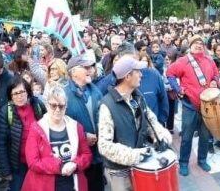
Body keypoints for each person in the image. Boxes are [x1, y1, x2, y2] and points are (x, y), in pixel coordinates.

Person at [98, 56, 172, 191]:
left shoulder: (137, 96)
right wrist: (135, 155)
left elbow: (151, 122)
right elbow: (104, 146)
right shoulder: (107, 105)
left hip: (140, 166)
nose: (141, 75)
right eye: (138, 71)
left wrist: (161, 137)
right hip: (120, 173)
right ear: (127, 76)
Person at [166, 35, 220, 175]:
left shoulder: (209, 60)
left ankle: (202, 160)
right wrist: (178, 89)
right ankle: (184, 162)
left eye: (201, 43)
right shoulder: (183, 61)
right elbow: (170, 74)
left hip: (207, 105)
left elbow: (216, 74)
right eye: (196, 43)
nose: (199, 45)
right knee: (187, 136)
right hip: (189, 105)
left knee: (205, 135)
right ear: (190, 46)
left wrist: (215, 81)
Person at [22, 85, 92, 191]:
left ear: (66, 106)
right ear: (46, 105)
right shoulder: (36, 128)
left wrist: (75, 164)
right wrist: (59, 167)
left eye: (61, 106)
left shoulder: (76, 127)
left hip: (72, 184)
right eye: (53, 105)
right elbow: (33, 162)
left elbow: (87, 155)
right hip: (44, 185)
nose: (58, 109)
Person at [64, 55, 106, 191]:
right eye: (86, 67)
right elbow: (60, 126)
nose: (91, 70)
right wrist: (82, 136)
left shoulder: (96, 91)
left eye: (91, 67)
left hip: (98, 156)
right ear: (73, 72)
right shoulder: (64, 95)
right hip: (79, 158)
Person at [0, 77, 46, 191]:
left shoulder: (37, 106)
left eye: (22, 92)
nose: (19, 96)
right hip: (17, 166)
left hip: (38, 163)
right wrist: (5, 172)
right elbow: (1, 144)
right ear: (10, 96)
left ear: (28, 92)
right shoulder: (6, 112)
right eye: (15, 93)